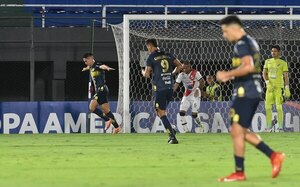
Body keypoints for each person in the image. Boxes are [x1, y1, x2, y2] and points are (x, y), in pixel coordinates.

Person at [216, 15, 285, 182]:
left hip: (245, 92)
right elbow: (250, 67)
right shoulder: (250, 41)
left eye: (225, 31)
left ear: (234, 28)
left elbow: (248, 66)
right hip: (250, 90)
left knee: (236, 130)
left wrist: (227, 74)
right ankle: (273, 156)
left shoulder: (241, 44)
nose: (224, 35)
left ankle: (241, 171)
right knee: (238, 130)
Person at [142, 38, 182, 144]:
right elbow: (180, 65)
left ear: (150, 46)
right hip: (170, 88)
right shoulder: (168, 54)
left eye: (148, 47)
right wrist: (172, 74)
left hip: (160, 89)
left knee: (161, 113)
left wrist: (142, 72)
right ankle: (172, 130)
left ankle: (172, 137)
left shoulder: (151, 57)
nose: (148, 49)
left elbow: (146, 74)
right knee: (159, 112)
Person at [82, 53, 121, 134]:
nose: (85, 63)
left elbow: (102, 66)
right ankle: (117, 127)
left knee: (91, 107)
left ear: (90, 59)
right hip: (102, 90)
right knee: (107, 111)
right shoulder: (91, 66)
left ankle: (107, 120)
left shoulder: (97, 65)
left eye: (86, 61)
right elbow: (90, 67)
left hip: (101, 90)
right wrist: (86, 68)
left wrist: (107, 68)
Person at [263, 45, 291, 132]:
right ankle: (268, 127)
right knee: (268, 107)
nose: (273, 53)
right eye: (272, 51)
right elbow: (264, 73)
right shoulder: (268, 61)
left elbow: (286, 76)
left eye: (275, 51)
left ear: (279, 52)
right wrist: (268, 83)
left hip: (279, 88)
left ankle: (280, 127)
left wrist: (286, 88)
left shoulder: (283, 63)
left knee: (279, 108)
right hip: (270, 88)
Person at [173, 61, 204, 133]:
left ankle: (201, 125)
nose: (184, 70)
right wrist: (170, 91)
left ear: (189, 67)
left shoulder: (196, 73)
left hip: (195, 95)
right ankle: (186, 130)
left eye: (186, 68)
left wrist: (198, 89)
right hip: (187, 95)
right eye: (183, 68)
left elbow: (202, 81)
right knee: (181, 112)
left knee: (194, 114)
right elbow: (176, 85)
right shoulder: (181, 75)